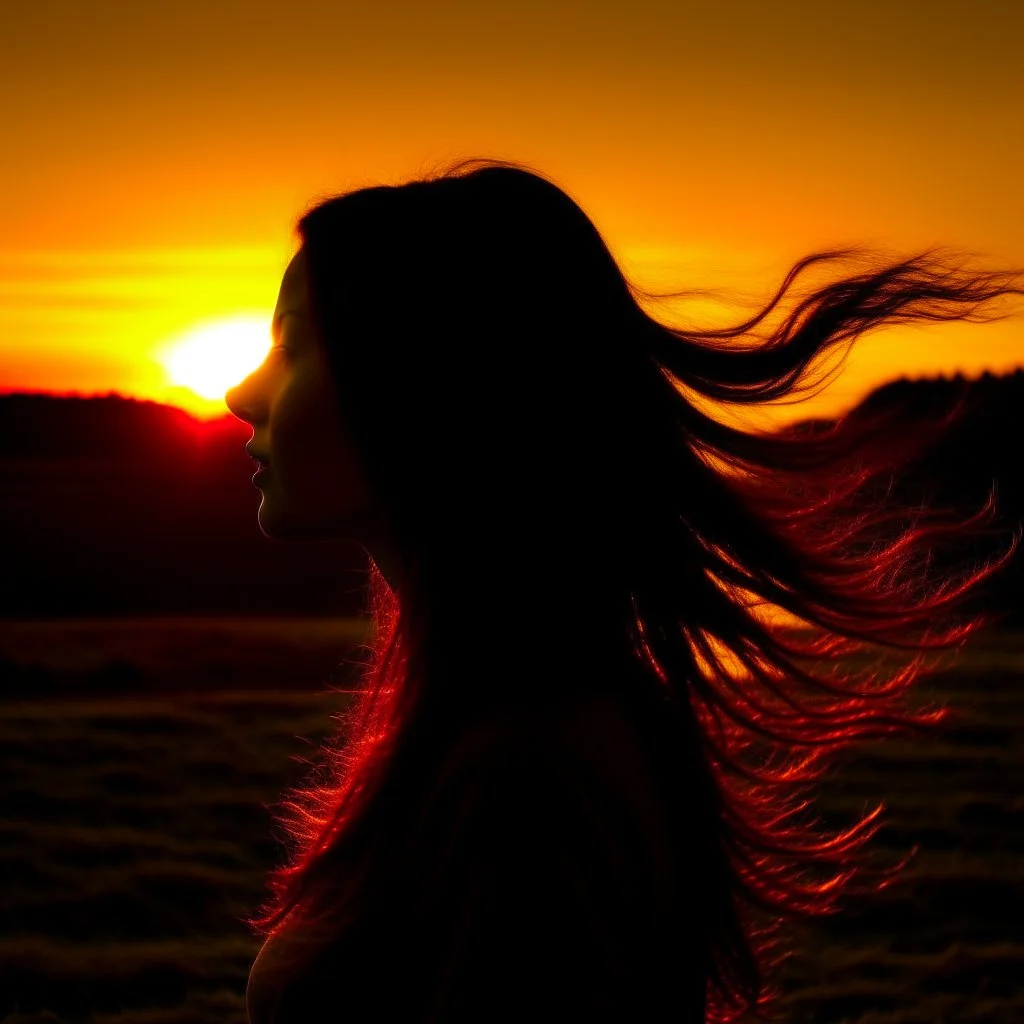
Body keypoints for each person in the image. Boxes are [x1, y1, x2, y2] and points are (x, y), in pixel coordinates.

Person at [225, 157, 1021, 1024]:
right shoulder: (506, 721)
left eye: (293, 346)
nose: (240, 393)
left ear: (429, 384)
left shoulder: (526, 776)